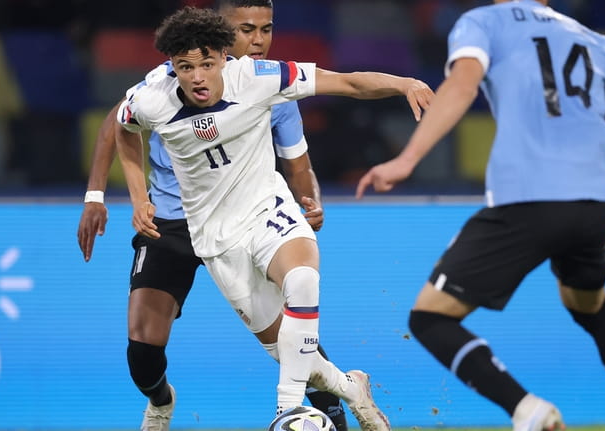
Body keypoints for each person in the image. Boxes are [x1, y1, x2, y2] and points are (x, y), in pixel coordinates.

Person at [109, 5, 432, 430]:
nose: (199, 77)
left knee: (302, 279)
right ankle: (352, 386)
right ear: (173, 66)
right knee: (293, 353)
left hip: (267, 213)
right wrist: (137, 196)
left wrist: (404, 83)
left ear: (225, 56)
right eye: (187, 67)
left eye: (208, 63)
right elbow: (122, 129)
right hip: (215, 239)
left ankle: (287, 412)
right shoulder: (152, 99)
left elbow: (348, 83)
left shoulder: (262, 78)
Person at [356, 0, 605, 429]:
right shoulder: (600, 43)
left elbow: (462, 86)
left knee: (430, 317)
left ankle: (528, 411)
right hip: (595, 203)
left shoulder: (483, 21)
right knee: (589, 307)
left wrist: (407, 160)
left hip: (529, 199)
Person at [77, 1, 349, 430]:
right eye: (246, 29)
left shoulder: (272, 85)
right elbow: (118, 123)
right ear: (221, 34)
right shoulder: (171, 80)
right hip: (169, 223)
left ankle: (330, 413)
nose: (258, 40)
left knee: (288, 340)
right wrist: (98, 195)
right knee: (142, 352)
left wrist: (309, 199)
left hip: (241, 222)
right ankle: (161, 401)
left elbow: (298, 164)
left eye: (266, 29)